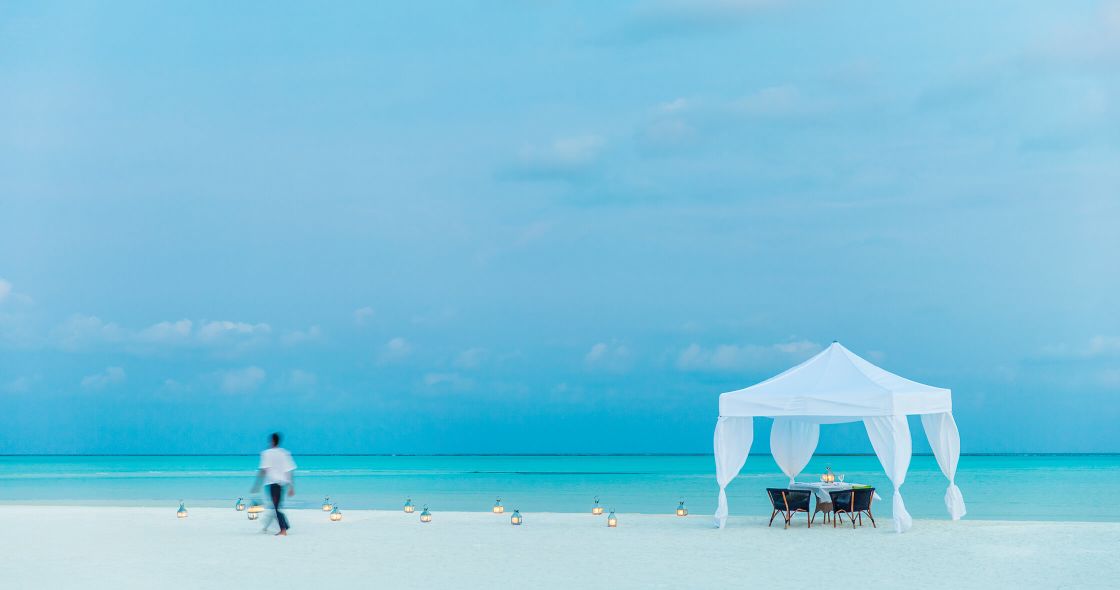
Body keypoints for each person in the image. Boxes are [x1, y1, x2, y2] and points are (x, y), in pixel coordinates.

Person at [251, 432, 296, 536]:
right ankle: (284, 526)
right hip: (281, 484)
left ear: (272, 441)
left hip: (272, 484)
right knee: (276, 506)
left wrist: (257, 486)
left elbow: (263, 471)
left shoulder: (266, 453)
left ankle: (283, 530)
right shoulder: (284, 453)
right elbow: (289, 471)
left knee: (276, 507)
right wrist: (291, 487)